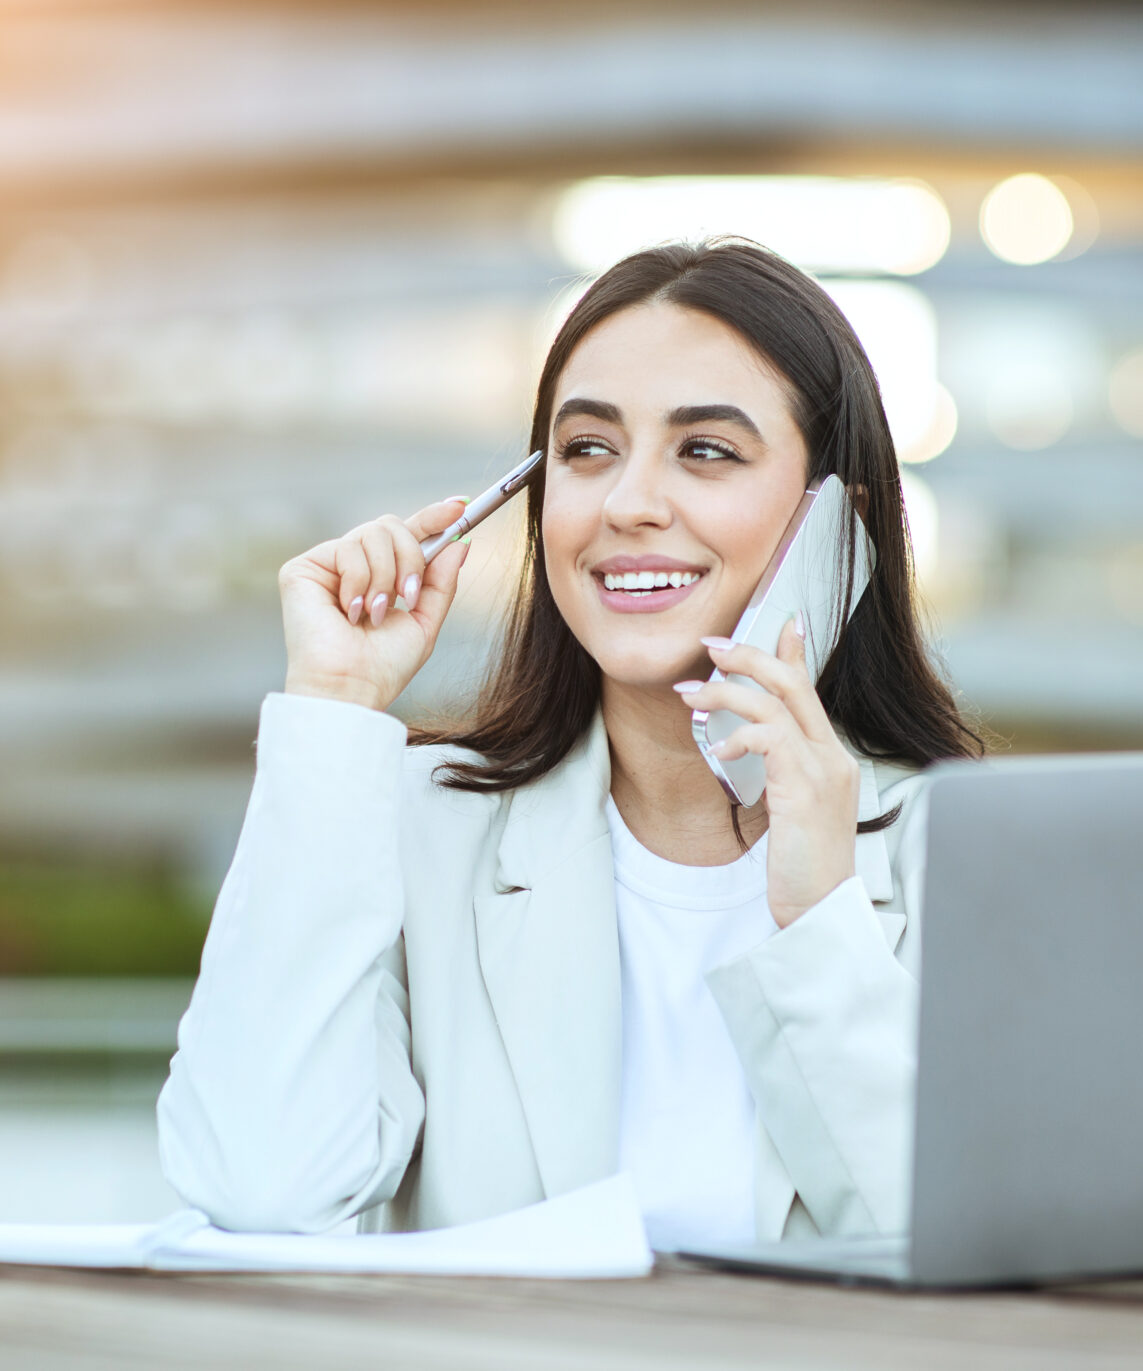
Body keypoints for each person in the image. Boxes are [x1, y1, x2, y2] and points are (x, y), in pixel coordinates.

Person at [156, 239, 983, 1249]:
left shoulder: (964, 849)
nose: (627, 502)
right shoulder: (428, 826)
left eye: (705, 450)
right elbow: (259, 1186)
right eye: (587, 449)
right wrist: (332, 704)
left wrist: (817, 916)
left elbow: (956, 1243)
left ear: (835, 526)